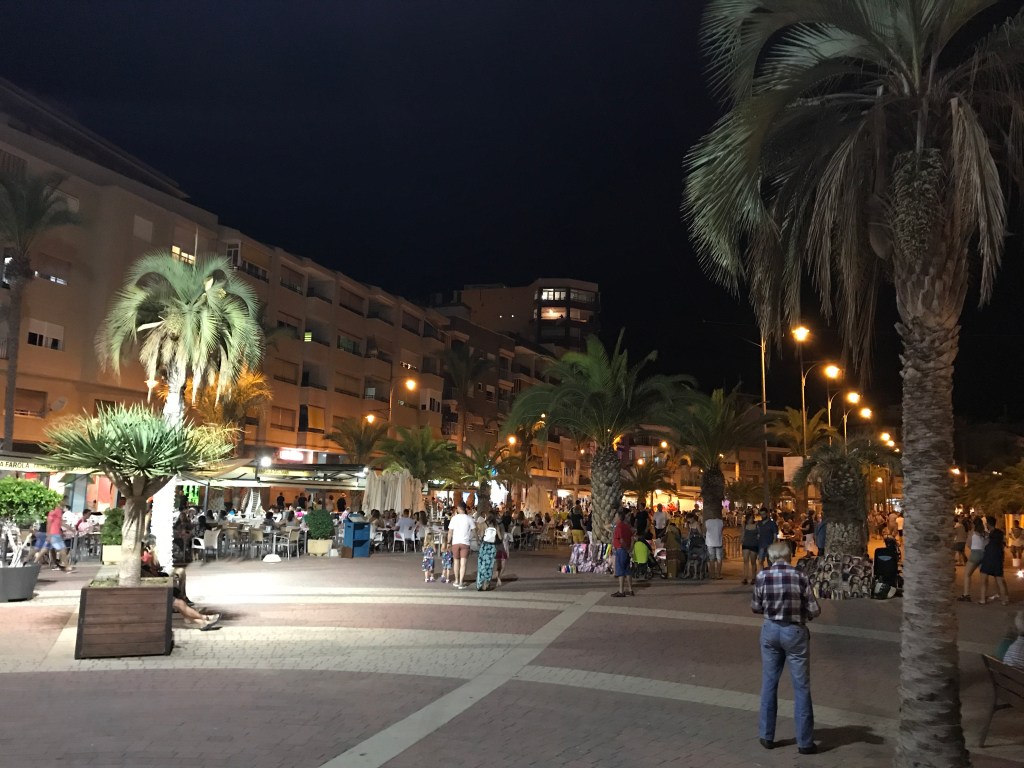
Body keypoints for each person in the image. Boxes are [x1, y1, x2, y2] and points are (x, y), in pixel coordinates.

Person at [752, 541, 821, 755]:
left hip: (770, 630)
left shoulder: (762, 576)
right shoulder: (800, 576)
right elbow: (814, 609)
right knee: (801, 686)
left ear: (771, 557)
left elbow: (755, 606)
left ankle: (767, 735)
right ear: (789, 556)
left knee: (769, 682)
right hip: (795, 631)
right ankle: (805, 741)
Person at [979, 516, 1009, 606]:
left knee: (983, 580)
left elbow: (985, 546)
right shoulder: (999, 535)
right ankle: (1004, 600)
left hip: (988, 559)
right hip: (998, 560)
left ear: (988, 524)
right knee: (1000, 581)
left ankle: (982, 600)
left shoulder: (990, 537)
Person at [34, 504, 73, 574]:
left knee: (45, 548)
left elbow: (60, 523)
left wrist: (70, 529)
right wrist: (48, 534)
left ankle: (35, 561)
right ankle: (66, 566)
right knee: (62, 550)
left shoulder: (57, 513)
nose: (62, 507)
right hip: (54, 534)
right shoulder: (53, 513)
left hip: (53, 534)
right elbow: (49, 524)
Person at [447, 502, 474, 589]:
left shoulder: (454, 518)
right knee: (463, 564)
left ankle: (456, 580)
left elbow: (450, 532)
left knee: (456, 562)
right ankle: (461, 582)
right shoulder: (469, 518)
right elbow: (474, 530)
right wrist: (476, 539)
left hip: (455, 542)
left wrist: (448, 542)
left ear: (458, 508)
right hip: (465, 543)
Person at [959, 516, 987, 601]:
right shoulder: (985, 533)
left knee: (967, 574)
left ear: (974, 524)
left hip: (975, 553)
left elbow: (968, 544)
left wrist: (973, 548)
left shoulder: (972, 532)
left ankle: (966, 594)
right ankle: (983, 596)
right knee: (983, 577)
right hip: (983, 554)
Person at [475, 513, 501, 591]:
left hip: (484, 547)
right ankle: (486, 585)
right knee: (489, 566)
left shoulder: (483, 524)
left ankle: (479, 584)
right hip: (492, 547)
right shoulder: (496, 525)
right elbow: (500, 537)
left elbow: (480, 534)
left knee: (481, 565)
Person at [611, 509, 634, 597]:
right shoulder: (626, 527)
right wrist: (630, 549)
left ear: (619, 518)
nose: (614, 518)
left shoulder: (619, 527)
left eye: (615, 516)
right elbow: (632, 538)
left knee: (620, 570)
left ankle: (621, 591)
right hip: (626, 550)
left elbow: (621, 540)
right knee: (627, 570)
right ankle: (630, 589)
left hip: (621, 550)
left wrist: (626, 548)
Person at [740, 510, 760, 585]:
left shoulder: (756, 525)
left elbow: (759, 535)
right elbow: (743, 534)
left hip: (754, 544)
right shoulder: (744, 525)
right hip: (746, 544)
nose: (751, 519)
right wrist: (741, 540)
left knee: (753, 562)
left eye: (752, 518)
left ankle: (753, 578)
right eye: (750, 518)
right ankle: (745, 577)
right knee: (745, 561)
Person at [704, 514, 724, 580]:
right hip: (718, 542)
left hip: (710, 542)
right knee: (719, 559)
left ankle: (712, 574)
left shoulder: (707, 522)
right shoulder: (720, 522)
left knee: (711, 559)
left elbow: (704, 531)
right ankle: (718, 574)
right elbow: (722, 530)